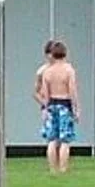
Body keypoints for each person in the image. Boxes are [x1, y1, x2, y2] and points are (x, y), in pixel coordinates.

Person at [35, 38, 79, 174]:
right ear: (65, 54)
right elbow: (72, 90)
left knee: (51, 140)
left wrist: (45, 108)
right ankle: (63, 168)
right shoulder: (69, 70)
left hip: (51, 105)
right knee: (65, 140)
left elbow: (44, 93)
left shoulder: (47, 72)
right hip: (64, 104)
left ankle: (53, 169)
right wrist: (76, 108)